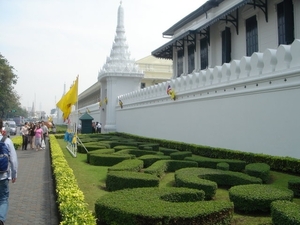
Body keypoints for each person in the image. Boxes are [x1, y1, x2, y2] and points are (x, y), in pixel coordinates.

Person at [0, 119, 18, 225]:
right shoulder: (6, 140)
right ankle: (1, 219)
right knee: (3, 198)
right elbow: (13, 160)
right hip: (3, 175)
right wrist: (14, 174)